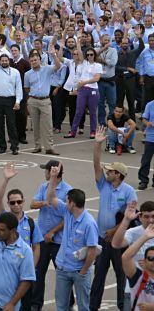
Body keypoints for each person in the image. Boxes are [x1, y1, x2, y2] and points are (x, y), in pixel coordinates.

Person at [90, 127, 138, 311]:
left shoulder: (129, 192)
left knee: (121, 275)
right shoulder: (104, 185)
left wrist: (114, 230)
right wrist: (97, 144)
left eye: (110, 171)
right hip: (102, 239)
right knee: (98, 276)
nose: (107, 173)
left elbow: (130, 217)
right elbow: (96, 165)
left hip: (118, 242)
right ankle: (93, 306)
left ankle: (122, 306)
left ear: (118, 175)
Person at [0, 170, 36, 311]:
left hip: (7, 304)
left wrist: (12, 303)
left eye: (2, 230)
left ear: (13, 231)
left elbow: (26, 280)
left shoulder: (25, 251)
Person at [46, 164, 99, 311]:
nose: (65, 202)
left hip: (79, 271)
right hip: (63, 268)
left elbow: (92, 250)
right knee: (61, 306)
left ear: (72, 203)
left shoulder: (89, 223)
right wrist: (53, 178)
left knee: (83, 307)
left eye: (67, 200)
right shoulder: (68, 212)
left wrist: (83, 272)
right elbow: (51, 198)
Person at [0, 162, 43, 311]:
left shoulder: (31, 223)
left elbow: (36, 246)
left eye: (19, 201)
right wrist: (6, 180)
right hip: (7, 270)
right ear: (8, 203)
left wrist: (31, 267)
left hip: (24, 272)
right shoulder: (3, 219)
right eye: (13, 202)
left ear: (23, 202)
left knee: (26, 305)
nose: (16, 204)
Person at [29, 159, 73, 311]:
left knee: (63, 274)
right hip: (41, 239)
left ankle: (69, 303)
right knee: (38, 274)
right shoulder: (44, 187)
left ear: (53, 172)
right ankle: (35, 305)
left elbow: (69, 218)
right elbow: (32, 204)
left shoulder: (68, 191)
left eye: (46, 170)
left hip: (58, 242)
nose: (44, 173)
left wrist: (53, 232)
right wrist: (44, 202)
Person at [24, 44, 62, 155]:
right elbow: (26, 88)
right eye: (32, 61)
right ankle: (37, 146)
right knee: (35, 125)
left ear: (40, 60)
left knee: (48, 125)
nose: (33, 62)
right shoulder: (27, 74)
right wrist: (32, 96)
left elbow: (58, 66)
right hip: (33, 100)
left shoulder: (47, 69)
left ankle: (49, 147)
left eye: (35, 60)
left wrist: (54, 55)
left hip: (45, 100)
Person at [0, 47, 23, 155]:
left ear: (9, 61)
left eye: (6, 60)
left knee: (11, 124)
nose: (4, 62)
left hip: (10, 100)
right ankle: (2, 146)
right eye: (2, 61)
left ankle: (14, 146)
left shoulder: (15, 72)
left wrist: (18, 101)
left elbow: (18, 87)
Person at [120, 223, 154, 309]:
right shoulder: (138, 277)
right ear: (144, 261)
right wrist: (144, 237)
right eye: (150, 258)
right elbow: (125, 258)